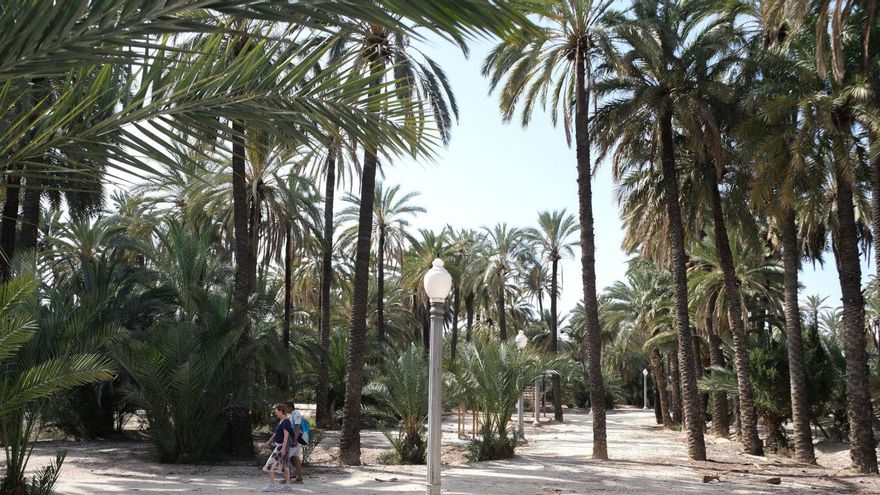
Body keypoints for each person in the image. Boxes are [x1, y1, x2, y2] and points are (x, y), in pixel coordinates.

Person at [260, 404, 296, 492]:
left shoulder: (286, 422)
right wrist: (267, 443)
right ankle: (288, 486)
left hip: (281, 448)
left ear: (281, 411)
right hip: (279, 447)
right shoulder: (281, 421)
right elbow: (275, 434)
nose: (275, 413)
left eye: (276, 412)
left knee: (269, 464)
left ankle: (272, 485)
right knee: (284, 467)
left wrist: (283, 449)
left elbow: (286, 436)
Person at [285, 402, 304, 484]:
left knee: (286, 457)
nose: (285, 410)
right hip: (295, 439)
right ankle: (299, 478)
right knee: (295, 458)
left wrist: (295, 439)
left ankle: (288, 478)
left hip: (294, 439)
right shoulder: (292, 414)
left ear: (290, 407)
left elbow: (298, 426)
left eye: (286, 408)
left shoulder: (295, 414)